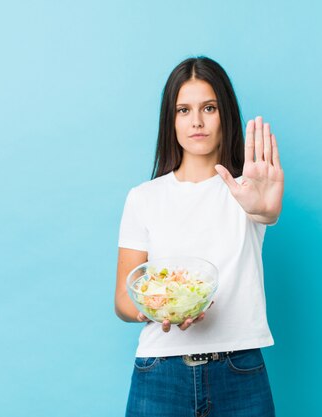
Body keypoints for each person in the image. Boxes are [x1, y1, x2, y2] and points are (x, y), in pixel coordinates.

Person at [114, 56, 284, 417]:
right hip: (160, 372)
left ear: (225, 114)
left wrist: (264, 208)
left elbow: (264, 211)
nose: (196, 121)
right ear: (170, 120)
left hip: (240, 368)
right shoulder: (143, 198)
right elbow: (123, 301)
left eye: (209, 107)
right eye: (183, 110)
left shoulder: (248, 189)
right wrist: (160, 308)